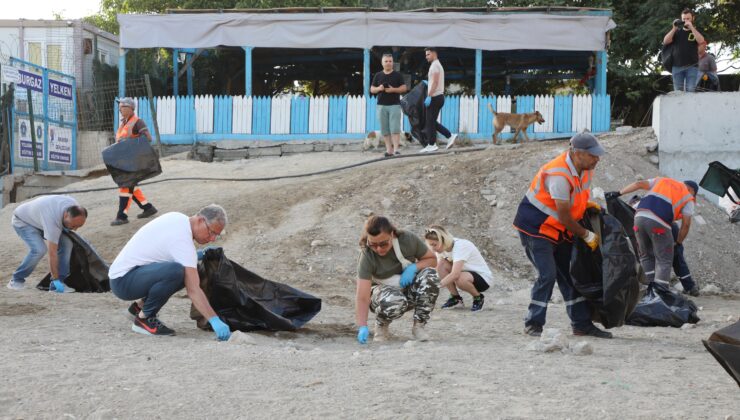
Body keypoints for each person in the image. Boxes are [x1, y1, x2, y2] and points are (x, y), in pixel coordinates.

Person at [513, 133, 612, 339]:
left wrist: (587, 206)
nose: (597, 159)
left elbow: (578, 197)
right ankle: (533, 324)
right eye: (593, 155)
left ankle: (581, 325)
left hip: (558, 230)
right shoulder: (558, 175)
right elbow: (564, 215)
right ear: (578, 154)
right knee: (548, 275)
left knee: (570, 275)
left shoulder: (585, 169)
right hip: (537, 228)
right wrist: (586, 234)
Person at [108, 204, 231, 340]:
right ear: (201, 221)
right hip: (123, 281)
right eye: (211, 232)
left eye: (216, 235)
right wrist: (214, 320)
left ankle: (138, 308)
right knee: (178, 271)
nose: (212, 239)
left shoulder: (178, 218)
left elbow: (166, 252)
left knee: (185, 268)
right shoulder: (182, 239)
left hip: (127, 274)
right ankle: (144, 319)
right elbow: (193, 289)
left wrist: (198, 255)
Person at [355, 215, 440, 344]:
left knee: (431, 274)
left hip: (407, 290)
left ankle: (419, 326)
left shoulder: (407, 240)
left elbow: (432, 260)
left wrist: (414, 267)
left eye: (383, 244)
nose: (378, 249)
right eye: (373, 244)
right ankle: (381, 325)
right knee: (394, 300)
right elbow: (363, 296)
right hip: (382, 297)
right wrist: (362, 326)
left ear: (393, 234)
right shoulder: (367, 255)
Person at [607, 178, 698, 295]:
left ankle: (650, 290)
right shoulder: (687, 196)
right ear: (690, 189)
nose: (693, 197)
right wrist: (679, 242)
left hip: (638, 219)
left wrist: (618, 193)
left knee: (645, 256)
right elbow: (686, 224)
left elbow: (638, 183)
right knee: (664, 260)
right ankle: (661, 294)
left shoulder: (662, 181)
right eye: (694, 194)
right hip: (660, 223)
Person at [8, 195, 87, 292]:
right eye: (73, 225)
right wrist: (55, 279)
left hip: (41, 219)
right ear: (66, 215)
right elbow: (52, 253)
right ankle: (16, 280)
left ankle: (58, 284)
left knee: (67, 244)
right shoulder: (52, 221)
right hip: (23, 221)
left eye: (79, 226)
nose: (75, 229)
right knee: (39, 250)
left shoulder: (73, 205)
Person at [111, 97, 158, 226]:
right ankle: (148, 208)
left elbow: (147, 138)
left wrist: (130, 145)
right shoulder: (123, 124)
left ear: (131, 108)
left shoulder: (138, 122)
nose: (120, 109)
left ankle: (122, 216)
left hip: (134, 161)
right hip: (124, 162)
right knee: (131, 186)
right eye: (119, 106)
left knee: (125, 186)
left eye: (123, 106)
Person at [424, 225, 493, 312]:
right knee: (442, 265)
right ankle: (456, 298)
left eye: (434, 245)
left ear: (443, 240)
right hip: (464, 274)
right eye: (431, 245)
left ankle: (478, 297)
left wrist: (435, 287)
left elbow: (455, 274)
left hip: (483, 279)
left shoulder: (461, 246)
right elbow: (438, 269)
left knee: (459, 277)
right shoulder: (441, 249)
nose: (433, 249)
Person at [420, 47, 456, 153]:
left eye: (428, 54)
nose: (426, 57)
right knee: (431, 122)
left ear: (434, 54)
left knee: (429, 122)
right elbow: (434, 81)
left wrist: (429, 96)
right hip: (438, 97)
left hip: (435, 97)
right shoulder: (436, 65)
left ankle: (432, 144)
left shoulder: (435, 65)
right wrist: (428, 83)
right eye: (426, 54)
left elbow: (435, 82)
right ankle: (449, 136)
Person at [371, 53, 407, 157]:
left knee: (395, 128)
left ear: (393, 63)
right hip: (381, 106)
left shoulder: (398, 75)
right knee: (384, 129)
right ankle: (389, 150)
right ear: (382, 63)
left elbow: (404, 88)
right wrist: (379, 89)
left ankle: (396, 150)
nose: (388, 63)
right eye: (386, 61)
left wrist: (393, 90)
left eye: (390, 61)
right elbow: (372, 89)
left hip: (395, 105)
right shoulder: (378, 75)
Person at [663, 8, 705, 92]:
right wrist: (674, 28)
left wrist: (692, 28)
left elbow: (701, 41)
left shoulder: (695, 32)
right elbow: (666, 41)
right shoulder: (677, 32)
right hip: (677, 67)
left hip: (692, 67)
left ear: (693, 18)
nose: (686, 21)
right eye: (684, 19)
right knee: (678, 92)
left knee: (690, 90)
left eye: (688, 18)